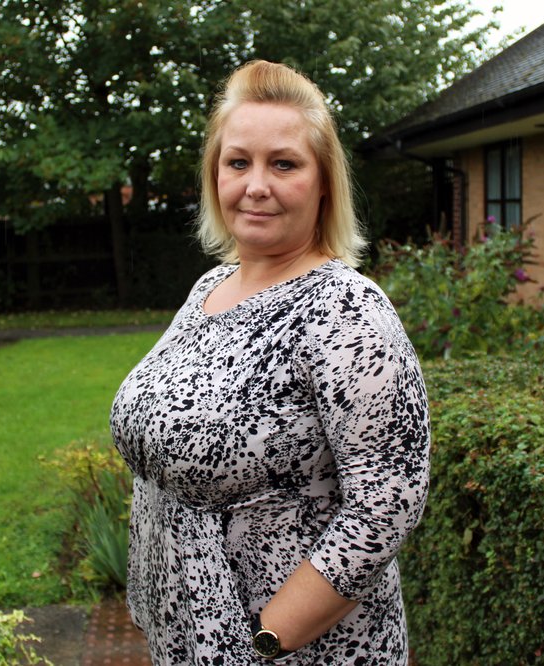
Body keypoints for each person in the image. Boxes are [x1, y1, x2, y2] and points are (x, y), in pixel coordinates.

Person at [110, 60, 430, 665]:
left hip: (295, 650)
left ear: (323, 183)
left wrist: (266, 637)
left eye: (283, 163)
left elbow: (388, 502)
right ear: (215, 176)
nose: (256, 185)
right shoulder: (210, 286)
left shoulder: (345, 310)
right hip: (186, 638)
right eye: (238, 162)